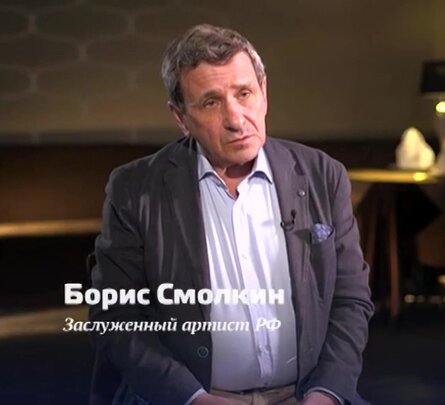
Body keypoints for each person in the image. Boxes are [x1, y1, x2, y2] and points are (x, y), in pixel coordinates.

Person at [88, 24, 373, 405]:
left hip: (306, 395)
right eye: (211, 102)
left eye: (244, 93)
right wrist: (193, 398)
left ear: (264, 92)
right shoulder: (134, 189)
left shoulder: (323, 175)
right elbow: (118, 317)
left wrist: (327, 393)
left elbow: (350, 299)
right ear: (180, 117)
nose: (236, 119)